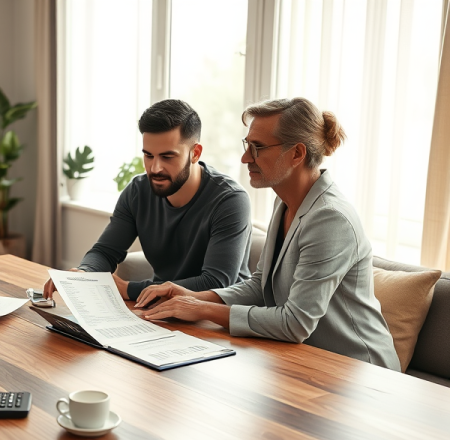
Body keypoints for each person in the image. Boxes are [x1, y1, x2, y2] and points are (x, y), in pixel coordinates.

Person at [136, 98, 400, 370]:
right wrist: (191, 297)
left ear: (297, 154)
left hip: (362, 370)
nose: (245, 158)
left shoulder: (330, 218)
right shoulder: (284, 202)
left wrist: (202, 309)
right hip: (309, 361)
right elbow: (260, 286)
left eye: (258, 147)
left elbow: (295, 323)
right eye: (247, 145)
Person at [44, 99, 252, 302]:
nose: (155, 168)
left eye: (167, 157)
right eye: (149, 156)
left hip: (217, 314)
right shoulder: (137, 191)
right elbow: (105, 252)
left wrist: (129, 289)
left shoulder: (230, 200)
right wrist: (85, 272)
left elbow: (216, 282)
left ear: (195, 153)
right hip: (158, 307)